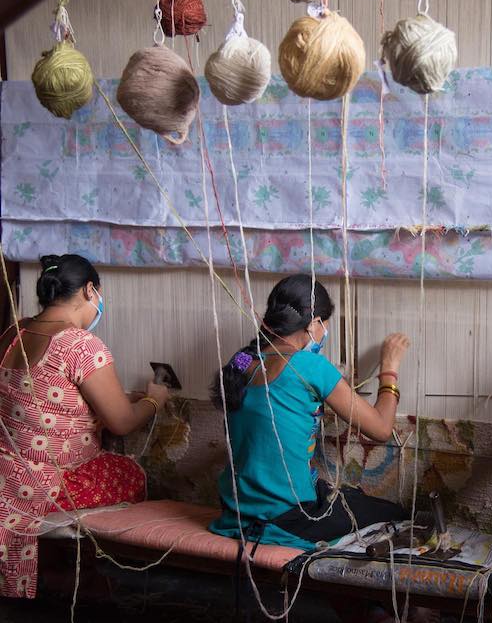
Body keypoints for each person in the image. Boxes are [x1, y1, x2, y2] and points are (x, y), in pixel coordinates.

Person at [0, 254, 170, 598]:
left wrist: (115, 396)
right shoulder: (80, 345)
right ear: (91, 290)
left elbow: (45, 394)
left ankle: (52, 569)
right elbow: (121, 423)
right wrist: (154, 401)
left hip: (6, 474)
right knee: (129, 473)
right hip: (46, 483)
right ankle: (75, 574)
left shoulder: (13, 332)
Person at [209, 274, 409, 550]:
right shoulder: (309, 365)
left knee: (348, 499)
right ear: (314, 323)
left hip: (236, 511)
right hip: (289, 517)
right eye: (325, 326)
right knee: (397, 515)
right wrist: (389, 367)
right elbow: (381, 429)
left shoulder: (240, 360)